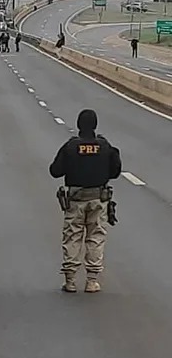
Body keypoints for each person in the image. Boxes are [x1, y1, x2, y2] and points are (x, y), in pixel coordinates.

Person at [49, 109, 122, 293]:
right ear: (95, 125)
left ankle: (71, 280)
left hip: (75, 200)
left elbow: (55, 170)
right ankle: (91, 280)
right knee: (96, 237)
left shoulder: (71, 147)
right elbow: (115, 171)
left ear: (79, 126)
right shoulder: (105, 146)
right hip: (99, 199)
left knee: (73, 236)